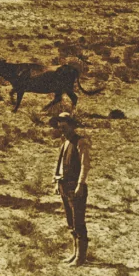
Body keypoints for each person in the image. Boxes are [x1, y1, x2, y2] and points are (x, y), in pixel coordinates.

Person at [52, 112, 91, 266]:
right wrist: (56, 183)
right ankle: (75, 254)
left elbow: (85, 165)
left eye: (65, 127)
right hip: (64, 186)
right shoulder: (64, 143)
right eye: (60, 127)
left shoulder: (80, 142)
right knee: (71, 223)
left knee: (78, 223)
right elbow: (60, 165)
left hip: (75, 187)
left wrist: (80, 184)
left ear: (72, 126)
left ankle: (81, 258)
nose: (62, 130)